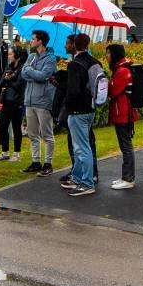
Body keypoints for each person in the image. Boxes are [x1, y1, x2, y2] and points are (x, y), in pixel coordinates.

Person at [62, 33, 97, 197]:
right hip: (90, 108)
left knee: (82, 148)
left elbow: (73, 90)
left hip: (77, 110)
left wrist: (66, 104)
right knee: (81, 146)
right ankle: (77, 178)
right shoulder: (94, 62)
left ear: (74, 45)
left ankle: (87, 183)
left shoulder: (75, 64)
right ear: (88, 44)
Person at [20, 30, 58, 176]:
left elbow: (43, 76)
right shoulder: (31, 56)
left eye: (33, 39)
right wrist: (33, 73)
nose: (31, 41)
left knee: (47, 134)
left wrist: (30, 71)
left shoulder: (50, 58)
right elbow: (23, 74)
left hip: (43, 101)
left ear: (40, 41)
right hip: (29, 100)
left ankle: (48, 163)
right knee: (32, 134)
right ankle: (35, 162)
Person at [106, 43, 137, 190]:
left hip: (123, 113)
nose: (106, 56)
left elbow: (113, 91)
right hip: (124, 112)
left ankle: (128, 178)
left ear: (114, 54)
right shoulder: (122, 68)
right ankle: (126, 176)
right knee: (125, 146)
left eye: (108, 53)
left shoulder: (121, 71)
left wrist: (107, 83)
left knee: (126, 146)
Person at [0, 44, 26, 161]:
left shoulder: (22, 68)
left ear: (17, 55)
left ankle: (16, 153)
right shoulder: (9, 67)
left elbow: (19, 85)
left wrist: (10, 79)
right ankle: (5, 152)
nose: (8, 56)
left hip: (17, 102)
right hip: (7, 100)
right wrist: (9, 79)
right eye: (8, 54)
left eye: (10, 54)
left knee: (16, 128)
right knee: (3, 126)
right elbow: (1, 82)